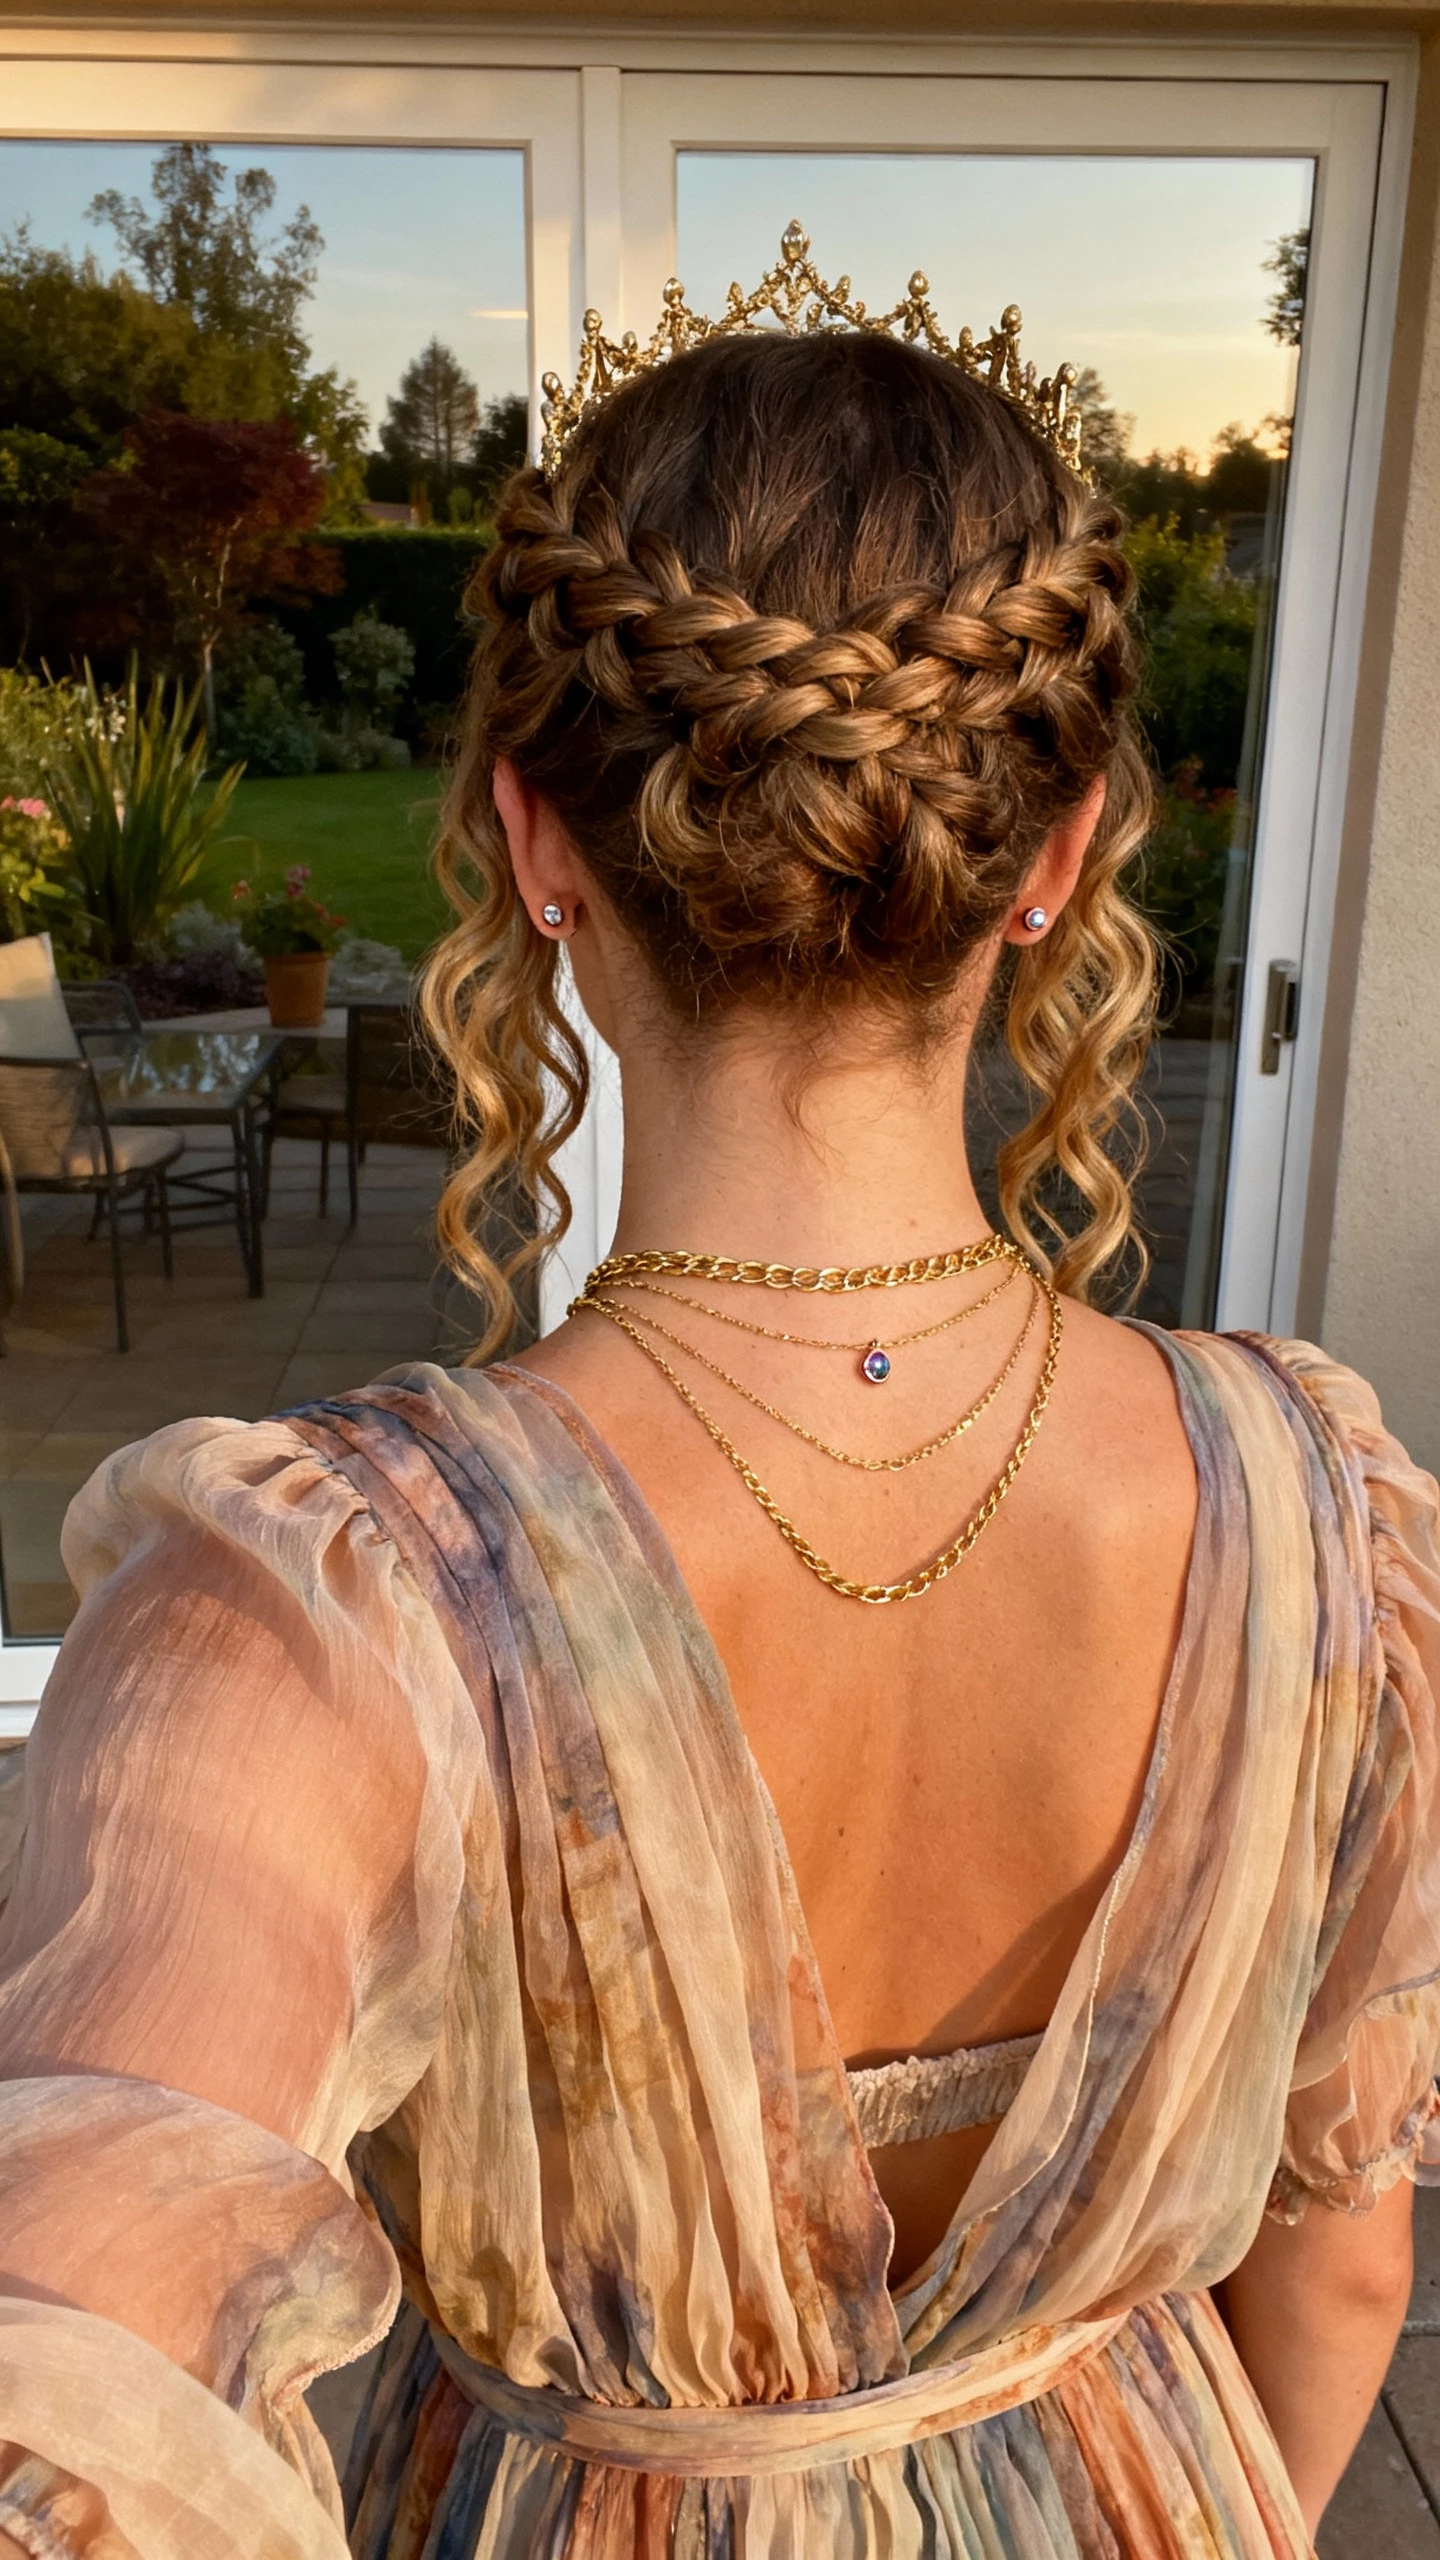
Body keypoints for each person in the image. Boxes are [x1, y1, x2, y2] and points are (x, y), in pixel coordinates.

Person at [0, 304, 1436, 2560]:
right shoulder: (1331, 1517)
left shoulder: (316, 1608)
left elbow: (68, 2367)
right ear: (1057, 853)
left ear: (531, 843)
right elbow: (1345, 2248)